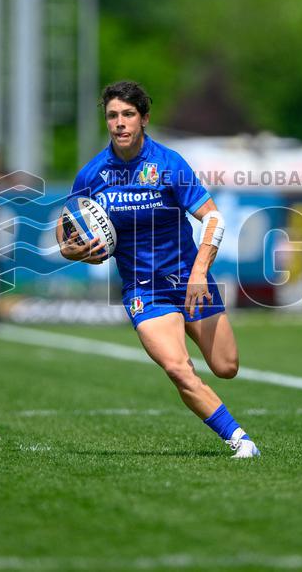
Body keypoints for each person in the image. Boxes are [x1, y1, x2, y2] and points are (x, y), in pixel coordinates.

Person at [57, 80, 260, 458]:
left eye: (128, 115)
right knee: (178, 368)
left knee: (227, 366)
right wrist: (77, 252)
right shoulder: (92, 174)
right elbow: (64, 232)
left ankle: (195, 323)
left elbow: (213, 218)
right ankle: (240, 440)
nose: (119, 123)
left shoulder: (169, 164)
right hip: (144, 289)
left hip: (189, 278)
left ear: (144, 118)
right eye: (112, 116)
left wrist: (199, 273)